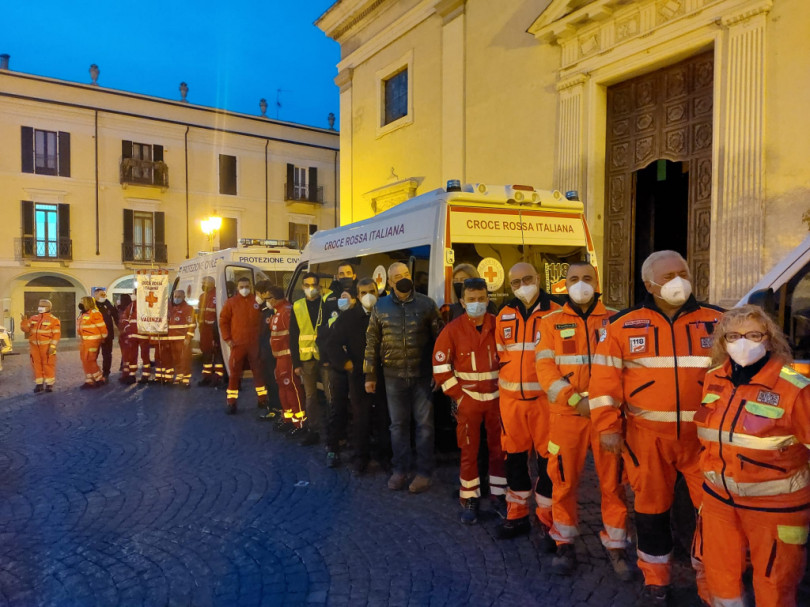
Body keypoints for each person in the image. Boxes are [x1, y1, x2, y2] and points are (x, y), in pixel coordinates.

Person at [589, 250, 723, 605]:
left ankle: (713, 582)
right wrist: (608, 427)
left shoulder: (719, 321)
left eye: (683, 273)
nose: (678, 281)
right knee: (651, 512)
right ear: (649, 285)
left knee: (713, 513)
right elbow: (603, 383)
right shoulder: (621, 325)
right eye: (667, 277)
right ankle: (656, 579)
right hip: (647, 439)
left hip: (704, 439)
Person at [694, 305, 810, 607]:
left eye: (753, 335)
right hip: (719, 500)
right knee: (720, 577)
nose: (743, 343)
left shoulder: (795, 389)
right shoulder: (714, 378)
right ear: (723, 342)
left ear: (769, 339)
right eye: (733, 336)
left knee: (776, 584)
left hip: (775, 506)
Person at [534, 262, 630, 579]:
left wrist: (603, 405)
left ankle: (616, 545)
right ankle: (564, 542)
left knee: (612, 482)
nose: (581, 284)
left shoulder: (616, 320)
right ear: (565, 284)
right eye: (574, 278)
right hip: (567, 414)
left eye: (587, 278)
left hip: (606, 415)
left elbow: (624, 368)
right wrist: (576, 400)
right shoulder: (550, 322)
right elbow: (545, 370)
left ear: (597, 282)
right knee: (563, 481)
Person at [495, 262, 562, 543]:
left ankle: (548, 518)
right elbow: (501, 354)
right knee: (514, 459)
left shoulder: (557, 312)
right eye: (516, 282)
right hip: (511, 403)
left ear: (538, 278)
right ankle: (517, 513)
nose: (522, 286)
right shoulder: (504, 314)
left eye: (527, 279)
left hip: (546, 403)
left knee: (550, 460)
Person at [364, 262, 443, 493]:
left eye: (406, 274)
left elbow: (441, 339)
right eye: (397, 276)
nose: (403, 278)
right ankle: (400, 470)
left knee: (425, 426)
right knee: (397, 426)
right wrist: (370, 374)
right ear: (389, 282)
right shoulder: (380, 306)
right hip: (393, 376)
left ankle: (424, 473)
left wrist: (440, 371)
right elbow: (372, 342)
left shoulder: (427, 304)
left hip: (422, 375)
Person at [433, 277, 506, 524]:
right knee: (468, 450)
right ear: (463, 302)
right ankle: (469, 496)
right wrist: (459, 396)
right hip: (469, 400)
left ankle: (499, 493)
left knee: (499, 449)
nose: (477, 303)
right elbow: (440, 367)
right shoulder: (452, 330)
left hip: (497, 399)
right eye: (472, 299)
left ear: (488, 299)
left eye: (481, 298)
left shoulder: (499, 325)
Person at [326, 278, 391, 475]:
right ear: (357, 295)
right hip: (359, 376)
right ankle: (360, 458)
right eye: (363, 293)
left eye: (372, 291)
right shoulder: (348, 317)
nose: (368, 296)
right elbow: (332, 344)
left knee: (384, 418)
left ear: (378, 293)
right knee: (361, 418)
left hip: (385, 374)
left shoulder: (387, 313)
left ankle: (385, 457)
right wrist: (347, 364)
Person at [291, 272, 332, 446]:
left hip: (325, 358)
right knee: (310, 397)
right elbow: (293, 335)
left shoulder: (327, 304)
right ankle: (313, 431)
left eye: (313, 285)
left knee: (331, 396)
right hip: (306, 359)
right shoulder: (297, 306)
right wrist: (296, 363)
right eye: (307, 285)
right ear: (302, 287)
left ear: (319, 286)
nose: (310, 288)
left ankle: (332, 431)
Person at [219, 276, 268, 414]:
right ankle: (231, 403)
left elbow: (264, 320)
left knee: (258, 372)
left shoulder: (257, 301)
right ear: (237, 288)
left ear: (251, 287)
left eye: (247, 286)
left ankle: (262, 400)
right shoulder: (231, 302)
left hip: (255, 344)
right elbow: (223, 321)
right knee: (234, 374)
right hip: (237, 344)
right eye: (241, 287)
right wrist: (228, 339)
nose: (244, 289)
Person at [264, 284, 306, 433]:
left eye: (268, 298)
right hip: (280, 358)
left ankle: (299, 423)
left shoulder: (286, 312)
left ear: (275, 298)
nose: (266, 301)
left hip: (288, 358)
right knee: (283, 389)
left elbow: (293, 336)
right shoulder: (278, 312)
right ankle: (288, 419)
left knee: (292, 389)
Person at [20, 299, 61, 393]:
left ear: (49, 307)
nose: (40, 307)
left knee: (48, 364)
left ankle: (49, 384)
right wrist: (24, 321)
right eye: (39, 305)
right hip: (34, 347)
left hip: (47, 347)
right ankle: (39, 384)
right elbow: (26, 329)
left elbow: (56, 335)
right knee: (36, 365)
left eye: (43, 306)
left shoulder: (54, 320)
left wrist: (52, 346)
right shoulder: (33, 318)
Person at [255, 280, 282, 420]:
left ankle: (275, 408)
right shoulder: (263, 310)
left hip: (272, 352)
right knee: (269, 381)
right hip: (266, 351)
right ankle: (273, 406)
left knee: (273, 381)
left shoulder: (271, 311)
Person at [164, 289, 196, 387]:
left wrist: (188, 337)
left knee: (185, 359)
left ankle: (186, 379)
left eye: (179, 297)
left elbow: (192, 324)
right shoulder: (172, 309)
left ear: (184, 297)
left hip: (183, 339)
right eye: (175, 296)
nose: (176, 298)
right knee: (176, 359)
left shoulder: (188, 308)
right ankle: (179, 376)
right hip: (172, 339)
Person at [197, 276, 225, 387]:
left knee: (217, 354)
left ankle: (218, 377)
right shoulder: (202, 296)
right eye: (202, 283)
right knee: (206, 354)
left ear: (211, 284)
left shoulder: (217, 296)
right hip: (204, 330)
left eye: (205, 283)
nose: (203, 285)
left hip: (214, 330)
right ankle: (207, 377)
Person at [77, 296, 108, 389]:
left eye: (82, 301)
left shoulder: (95, 313)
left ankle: (99, 379)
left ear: (87, 302)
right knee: (84, 359)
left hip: (93, 340)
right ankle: (89, 379)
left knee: (90, 359)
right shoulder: (83, 313)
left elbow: (102, 327)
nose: (81, 303)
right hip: (84, 340)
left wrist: (103, 337)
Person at [93, 287, 119, 381]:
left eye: (104, 294)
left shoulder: (109, 304)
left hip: (108, 334)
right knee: (93, 355)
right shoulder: (92, 305)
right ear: (95, 295)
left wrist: (120, 327)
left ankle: (106, 372)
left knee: (107, 354)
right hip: (95, 335)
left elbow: (116, 316)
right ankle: (94, 372)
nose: (104, 296)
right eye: (101, 294)